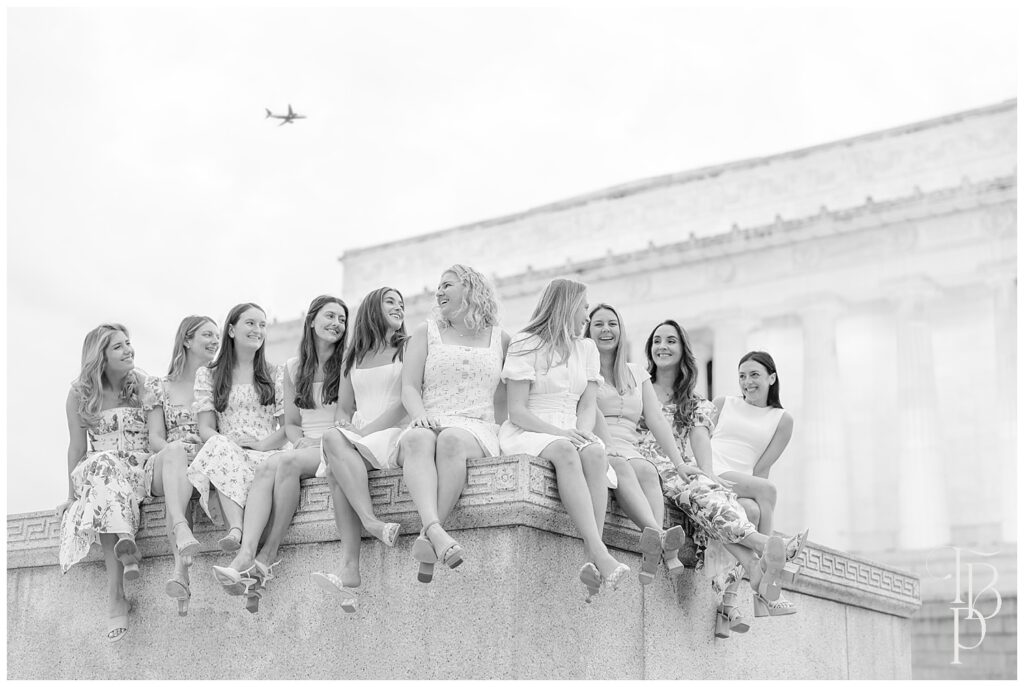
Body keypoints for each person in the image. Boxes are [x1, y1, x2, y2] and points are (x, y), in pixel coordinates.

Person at [635, 321, 805, 638]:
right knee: (724, 493)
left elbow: (708, 445)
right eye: (657, 341)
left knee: (731, 500)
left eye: (671, 340)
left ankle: (748, 580)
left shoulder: (699, 402)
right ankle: (765, 548)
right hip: (665, 464)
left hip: (694, 471)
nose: (663, 346)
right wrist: (703, 473)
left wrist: (707, 475)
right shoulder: (643, 386)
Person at [212, 296, 349, 612]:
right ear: (311, 320)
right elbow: (291, 423)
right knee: (268, 467)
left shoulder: (345, 365)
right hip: (306, 445)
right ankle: (247, 554)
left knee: (283, 461)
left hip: (337, 442)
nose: (336, 324)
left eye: (342, 319)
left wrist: (311, 444)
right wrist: (299, 440)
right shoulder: (292, 368)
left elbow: (344, 416)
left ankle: (267, 555)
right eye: (330, 316)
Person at [498, 277, 629, 600]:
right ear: (566, 305)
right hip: (532, 429)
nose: (587, 315)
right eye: (584, 307)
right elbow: (516, 411)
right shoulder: (525, 343)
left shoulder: (585, 349)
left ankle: (592, 559)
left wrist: (583, 432)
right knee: (566, 451)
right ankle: (599, 555)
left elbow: (587, 404)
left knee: (595, 454)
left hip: (572, 426)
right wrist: (561, 433)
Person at [398, 265, 510, 583]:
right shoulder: (426, 331)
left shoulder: (501, 339)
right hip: (429, 415)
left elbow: (512, 396)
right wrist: (419, 414)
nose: (439, 292)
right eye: (438, 287)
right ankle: (435, 532)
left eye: (448, 285)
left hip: (476, 426)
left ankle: (430, 533)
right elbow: (409, 386)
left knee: (450, 440)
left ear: (471, 288)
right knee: (417, 440)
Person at [310, 287, 407, 611]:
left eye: (401, 303)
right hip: (361, 433)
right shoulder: (353, 355)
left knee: (337, 468)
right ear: (371, 310)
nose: (398, 307)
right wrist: (345, 425)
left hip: (393, 430)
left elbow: (408, 401)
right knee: (334, 444)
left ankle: (355, 553)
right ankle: (357, 553)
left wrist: (363, 432)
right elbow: (344, 408)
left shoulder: (407, 348)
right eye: (390, 302)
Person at [186, 302, 287, 611]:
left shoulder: (274, 373)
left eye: (262, 325)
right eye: (250, 324)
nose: (258, 330)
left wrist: (258, 446)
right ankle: (237, 531)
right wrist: (230, 446)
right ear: (231, 329)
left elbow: (287, 429)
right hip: (228, 451)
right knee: (217, 449)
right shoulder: (210, 374)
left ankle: (246, 561)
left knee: (262, 472)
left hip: (265, 450)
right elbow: (205, 427)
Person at [57, 323, 152, 642]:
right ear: (100, 355)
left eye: (129, 343)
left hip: (138, 467)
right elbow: (77, 448)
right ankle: (122, 561)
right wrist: (71, 497)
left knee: (105, 480)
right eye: (119, 346)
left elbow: (156, 436)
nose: (129, 350)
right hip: (99, 472)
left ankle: (116, 597)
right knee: (101, 470)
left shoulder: (142, 384)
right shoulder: (79, 394)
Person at [585, 304, 686, 585]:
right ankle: (661, 538)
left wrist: (679, 464)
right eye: (599, 324)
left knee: (646, 470)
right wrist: (605, 443)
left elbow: (656, 419)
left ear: (621, 330)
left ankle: (652, 553)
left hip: (630, 444)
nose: (606, 330)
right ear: (588, 332)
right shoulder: (583, 370)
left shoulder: (636, 372)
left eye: (612, 324)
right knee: (620, 467)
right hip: (598, 439)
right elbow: (590, 412)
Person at [709, 350, 806, 620]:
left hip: (744, 481)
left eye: (754, 375)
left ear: (772, 378)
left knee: (750, 512)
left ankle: (732, 600)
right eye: (742, 376)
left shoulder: (782, 419)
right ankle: (770, 560)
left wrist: (757, 504)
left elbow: (762, 469)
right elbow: (700, 440)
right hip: (712, 471)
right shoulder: (722, 403)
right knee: (769, 491)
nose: (747, 382)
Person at [143, 315, 220, 615]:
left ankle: (180, 573)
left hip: (201, 463)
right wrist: (178, 453)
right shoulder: (157, 385)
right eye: (207, 334)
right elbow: (154, 438)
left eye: (217, 335)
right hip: (163, 462)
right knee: (175, 454)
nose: (215, 340)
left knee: (187, 474)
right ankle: (180, 524)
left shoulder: (216, 386)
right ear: (187, 340)